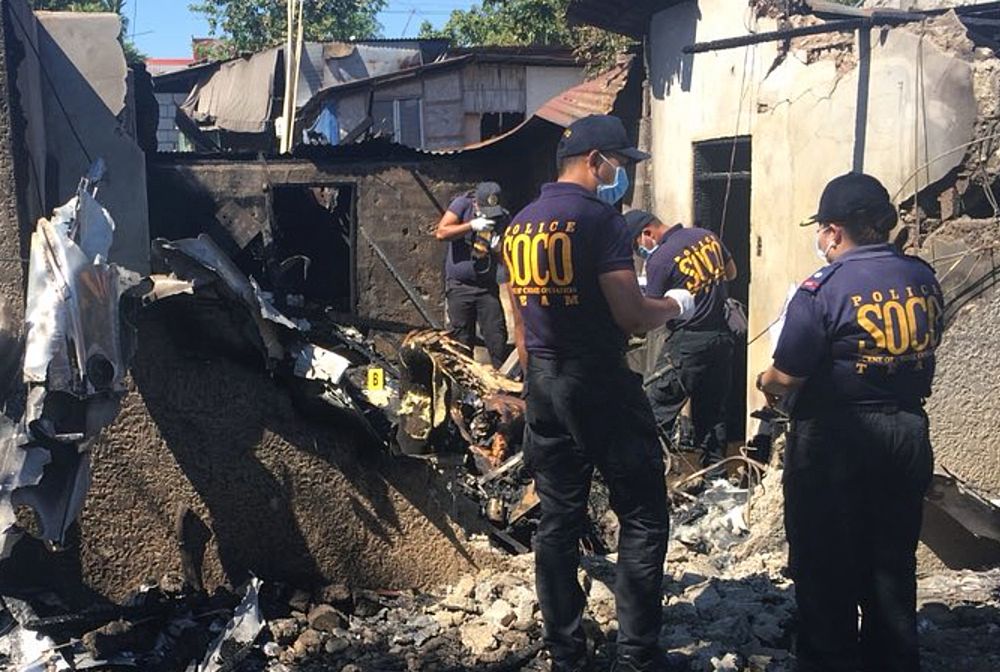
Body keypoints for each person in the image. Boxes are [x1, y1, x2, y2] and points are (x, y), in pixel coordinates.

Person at [502, 114, 694, 672]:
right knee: (641, 513)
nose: (621, 176)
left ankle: (567, 653)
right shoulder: (600, 221)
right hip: (598, 381)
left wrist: (534, 376)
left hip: (544, 380)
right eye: (618, 165)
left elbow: (519, 315)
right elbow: (631, 315)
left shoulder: (520, 224)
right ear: (594, 163)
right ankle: (636, 655)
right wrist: (673, 306)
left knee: (558, 519)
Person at [756, 172, 943, 672]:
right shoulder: (921, 276)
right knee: (892, 560)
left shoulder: (822, 290)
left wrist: (763, 382)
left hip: (838, 441)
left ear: (834, 232)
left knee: (824, 564)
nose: (820, 239)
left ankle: (830, 660)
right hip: (907, 431)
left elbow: (786, 376)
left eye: (821, 230)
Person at [626, 210, 737, 465]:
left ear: (647, 234)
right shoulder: (706, 236)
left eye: (636, 246)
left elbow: (651, 315)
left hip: (688, 343)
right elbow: (731, 273)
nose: (639, 252)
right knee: (713, 412)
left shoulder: (660, 260)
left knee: (655, 409)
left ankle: (647, 473)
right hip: (721, 337)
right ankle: (715, 478)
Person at [434, 181, 511, 367]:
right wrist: (470, 226)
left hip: (487, 287)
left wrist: (497, 249)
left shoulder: (502, 217)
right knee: (461, 342)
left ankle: (501, 387)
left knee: (497, 338)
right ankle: (463, 390)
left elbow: (507, 255)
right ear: (476, 203)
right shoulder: (462, 205)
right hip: (460, 287)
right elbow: (441, 233)